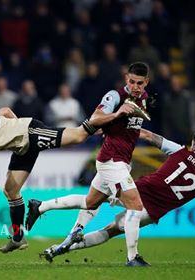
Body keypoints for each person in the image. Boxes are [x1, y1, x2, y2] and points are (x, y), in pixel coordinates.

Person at [0, 106, 131, 253]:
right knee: (10, 190)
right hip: (22, 144)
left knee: (78, 136)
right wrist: (14, 128)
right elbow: (6, 111)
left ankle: (114, 115)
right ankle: (18, 238)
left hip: (30, 133)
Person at [26, 62, 152, 266]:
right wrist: (117, 114)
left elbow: (122, 129)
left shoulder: (144, 99)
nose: (135, 86)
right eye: (131, 81)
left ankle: (40, 206)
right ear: (126, 78)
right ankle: (132, 257)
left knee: (90, 202)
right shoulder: (115, 96)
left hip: (121, 161)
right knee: (136, 206)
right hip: (112, 161)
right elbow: (95, 118)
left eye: (140, 83)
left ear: (146, 82)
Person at [38, 129, 195, 263]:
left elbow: (149, 136)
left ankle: (47, 213)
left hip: (138, 190)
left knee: (92, 200)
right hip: (152, 211)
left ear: (194, 144)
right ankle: (65, 248)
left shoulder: (181, 151)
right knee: (111, 231)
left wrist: (123, 129)